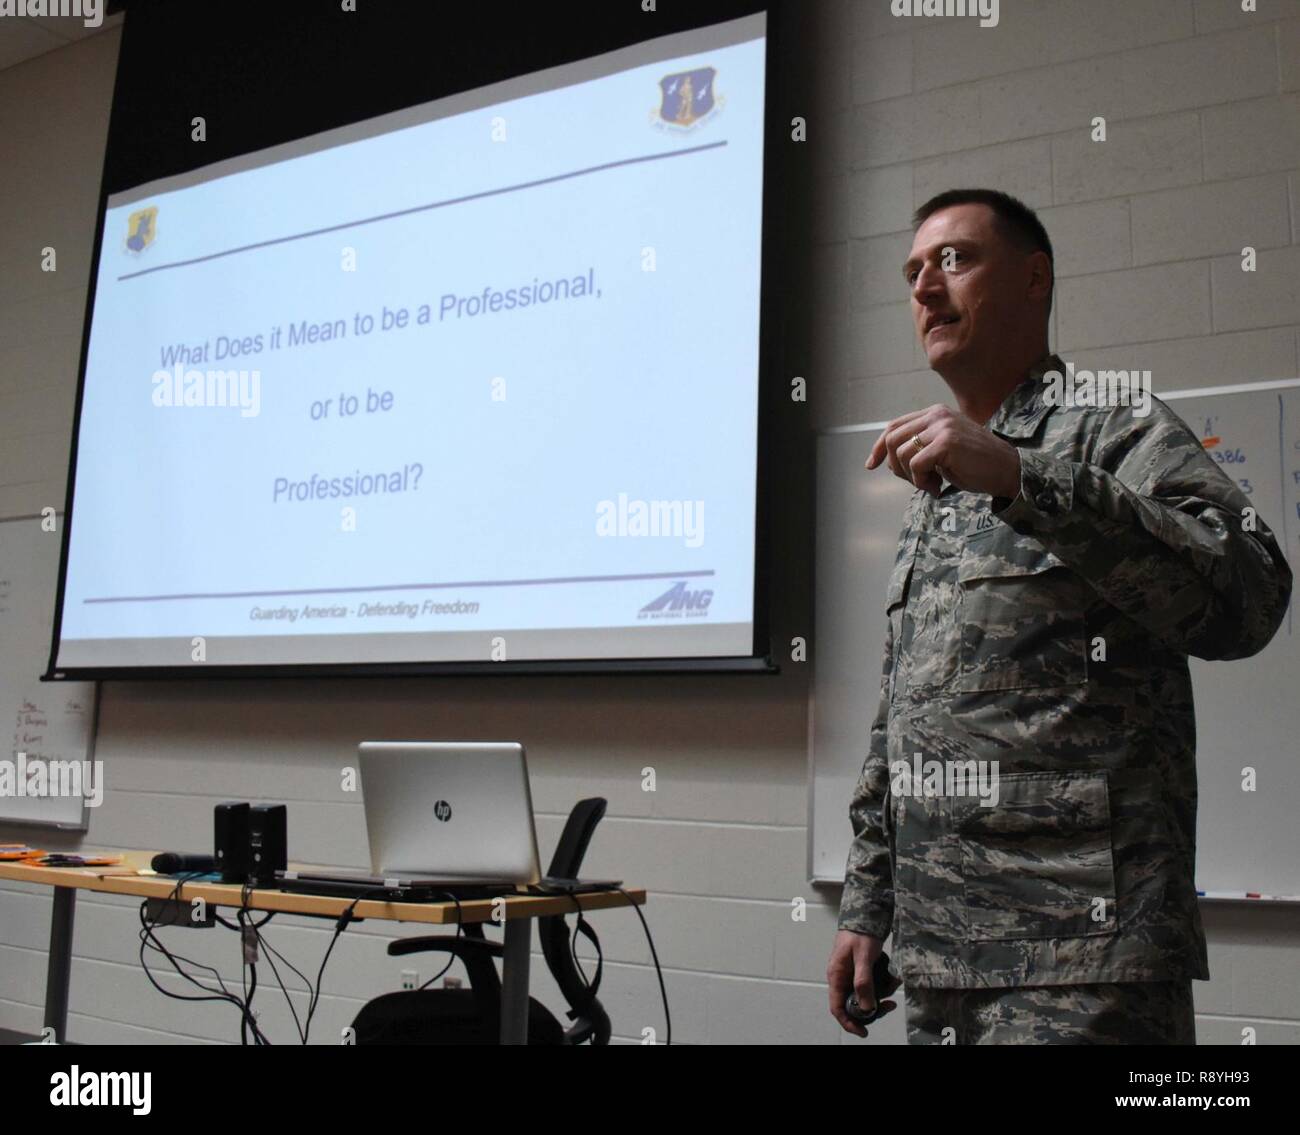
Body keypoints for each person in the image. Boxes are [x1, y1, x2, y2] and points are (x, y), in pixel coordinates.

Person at [826, 188, 1293, 1044]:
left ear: (1035, 278)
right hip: (940, 959)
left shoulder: (1115, 425)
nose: (926, 287)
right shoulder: (935, 484)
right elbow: (904, 714)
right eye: (913, 271)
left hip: (1082, 958)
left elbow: (1247, 596)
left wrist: (1020, 474)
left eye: (956, 260)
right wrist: (867, 900)